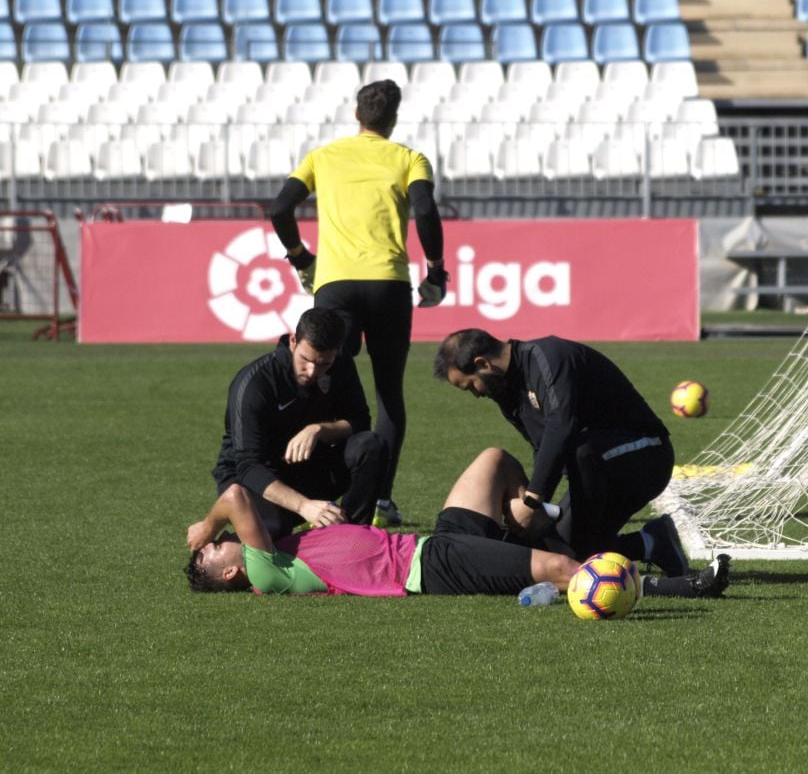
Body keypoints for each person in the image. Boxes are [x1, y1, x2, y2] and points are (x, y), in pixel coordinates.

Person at [186, 447, 731, 600]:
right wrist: (206, 528)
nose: (224, 542)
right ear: (230, 573)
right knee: (564, 567)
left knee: (493, 461)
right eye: (216, 553)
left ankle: (563, 543)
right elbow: (235, 495)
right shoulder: (266, 574)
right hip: (432, 568)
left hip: (436, 543)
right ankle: (672, 585)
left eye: (215, 544)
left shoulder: (282, 545)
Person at [269, 78, 448, 529]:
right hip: (388, 284)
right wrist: (436, 269)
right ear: (393, 119)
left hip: (336, 285)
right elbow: (425, 211)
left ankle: (315, 492)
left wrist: (299, 256)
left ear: (356, 114)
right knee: (388, 393)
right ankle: (380, 501)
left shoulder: (323, 156)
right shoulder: (409, 157)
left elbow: (280, 209)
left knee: (321, 382)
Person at [433, 328, 689, 577]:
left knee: (581, 453)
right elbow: (542, 447)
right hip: (594, 469)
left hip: (646, 455)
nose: (476, 394)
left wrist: (532, 502)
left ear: (483, 363)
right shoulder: (506, 391)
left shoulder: (548, 357)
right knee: (553, 553)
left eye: (470, 386)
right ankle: (651, 542)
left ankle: (624, 549)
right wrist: (539, 509)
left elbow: (561, 426)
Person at [211, 307, 389, 538]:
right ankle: (214, 542)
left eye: (324, 363)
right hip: (253, 476)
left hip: (307, 467)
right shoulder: (256, 383)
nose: (313, 371)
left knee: (370, 446)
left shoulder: (341, 365)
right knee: (274, 528)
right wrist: (304, 506)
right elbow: (248, 465)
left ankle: (350, 540)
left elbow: (360, 422)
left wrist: (319, 429)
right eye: (306, 359)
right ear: (293, 341)